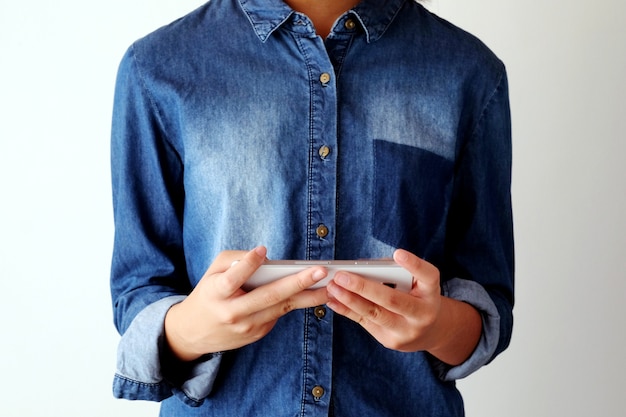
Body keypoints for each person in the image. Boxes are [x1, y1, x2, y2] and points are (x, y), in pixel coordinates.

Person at [109, 0, 514, 415]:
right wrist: (192, 329)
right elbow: (139, 288)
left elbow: (489, 302)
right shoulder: (157, 67)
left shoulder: (468, 72)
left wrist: (438, 325)